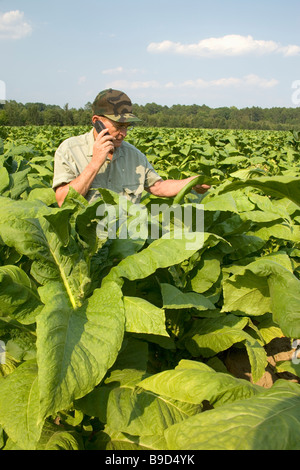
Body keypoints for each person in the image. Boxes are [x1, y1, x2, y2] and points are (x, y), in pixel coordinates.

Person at [52, 89, 210, 206]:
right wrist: (95, 162)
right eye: (119, 126)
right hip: (87, 244)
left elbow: (158, 187)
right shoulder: (70, 150)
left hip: (126, 241)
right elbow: (62, 200)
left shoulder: (134, 155)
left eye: (127, 126)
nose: (124, 133)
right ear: (96, 121)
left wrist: (191, 182)